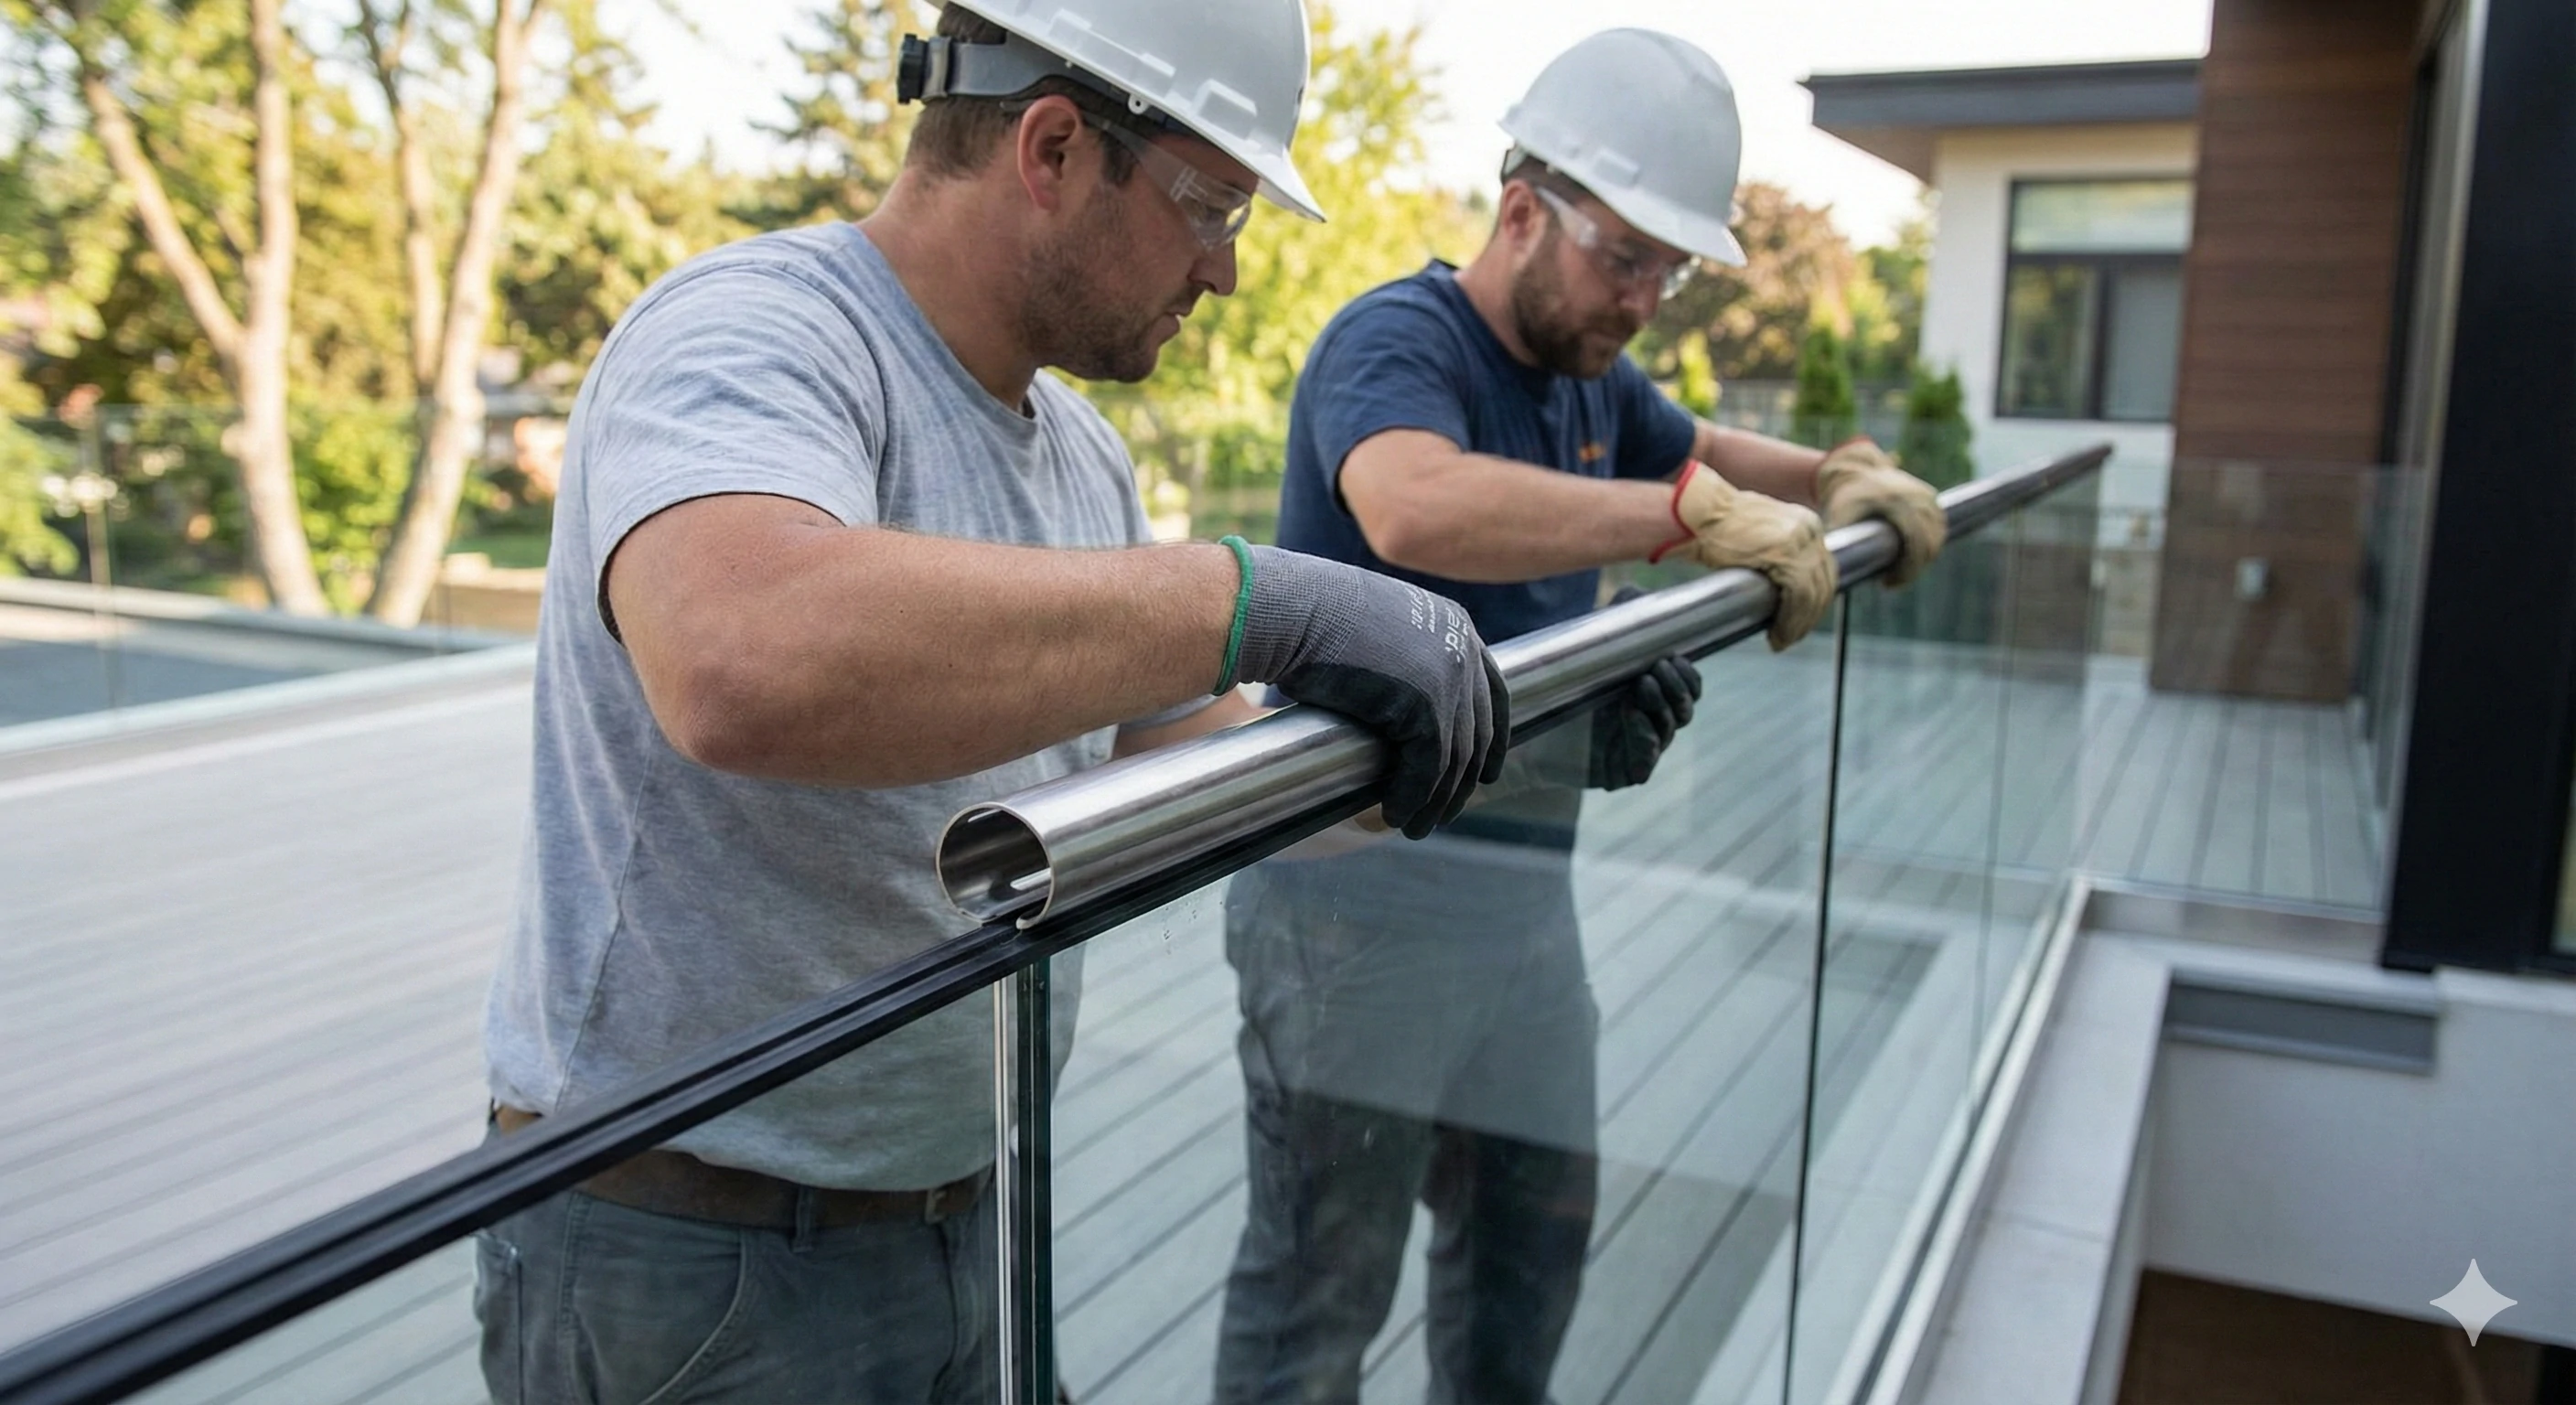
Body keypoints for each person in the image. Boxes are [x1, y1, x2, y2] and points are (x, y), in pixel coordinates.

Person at [471, 2, 1511, 1400]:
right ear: (1056, 147)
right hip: (682, 1247)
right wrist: (1247, 598)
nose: (1224, 271)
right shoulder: (752, 332)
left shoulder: (1080, 456)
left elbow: (1183, 759)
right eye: (1212, 205)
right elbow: (738, 659)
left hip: (963, 1218)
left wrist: (1494, 733)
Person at [1212, 28, 1948, 1405]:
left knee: (1528, 1257)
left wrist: (1840, 475)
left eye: (1669, 270)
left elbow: (1712, 454)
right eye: (1626, 256)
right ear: (1520, 210)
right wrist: (1690, 523)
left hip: (1515, 909)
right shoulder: (1400, 339)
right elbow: (1412, 500)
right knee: (1319, 1297)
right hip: (1351, 918)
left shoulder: (1594, 384)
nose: (1647, 296)